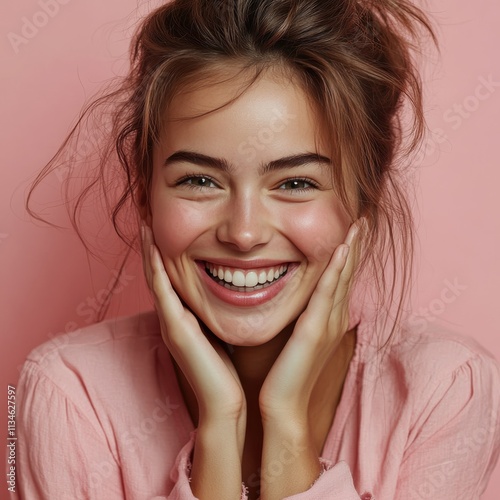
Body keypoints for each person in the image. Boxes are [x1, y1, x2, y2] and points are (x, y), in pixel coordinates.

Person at [14, 0, 500, 499]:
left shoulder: (447, 390)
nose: (244, 234)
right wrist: (219, 430)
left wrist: (286, 423)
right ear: (145, 194)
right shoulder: (67, 394)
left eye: (294, 183)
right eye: (200, 180)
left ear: (364, 199)